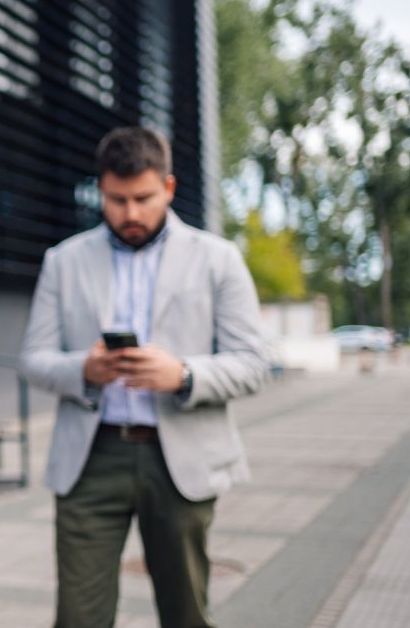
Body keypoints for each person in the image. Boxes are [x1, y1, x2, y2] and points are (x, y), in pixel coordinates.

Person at [20, 127, 268, 628]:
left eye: (143, 198)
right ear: (100, 190)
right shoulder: (63, 261)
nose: (130, 213)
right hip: (91, 460)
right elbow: (33, 359)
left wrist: (184, 374)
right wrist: (83, 370)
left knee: (186, 615)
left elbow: (254, 361)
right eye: (116, 200)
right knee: (77, 619)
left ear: (169, 188)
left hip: (180, 458)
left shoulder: (218, 259)